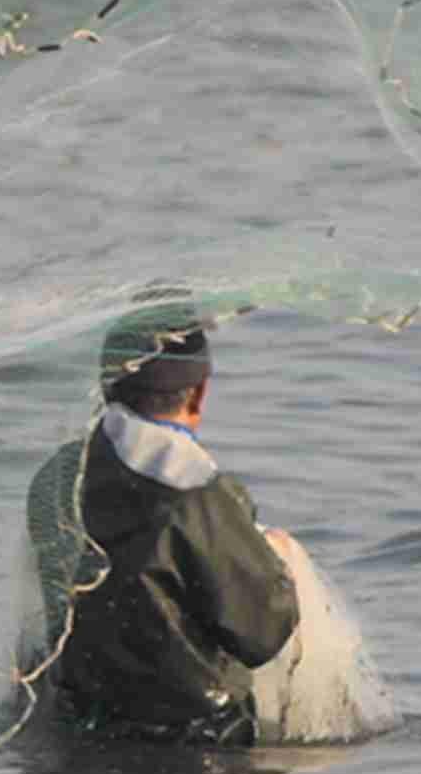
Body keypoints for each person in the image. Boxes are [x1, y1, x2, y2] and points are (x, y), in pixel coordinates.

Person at [23, 309, 298, 744]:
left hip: (73, 743)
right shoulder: (197, 494)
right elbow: (263, 634)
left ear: (108, 384)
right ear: (199, 394)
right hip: (192, 754)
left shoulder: (57, 476)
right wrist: (276, 563)